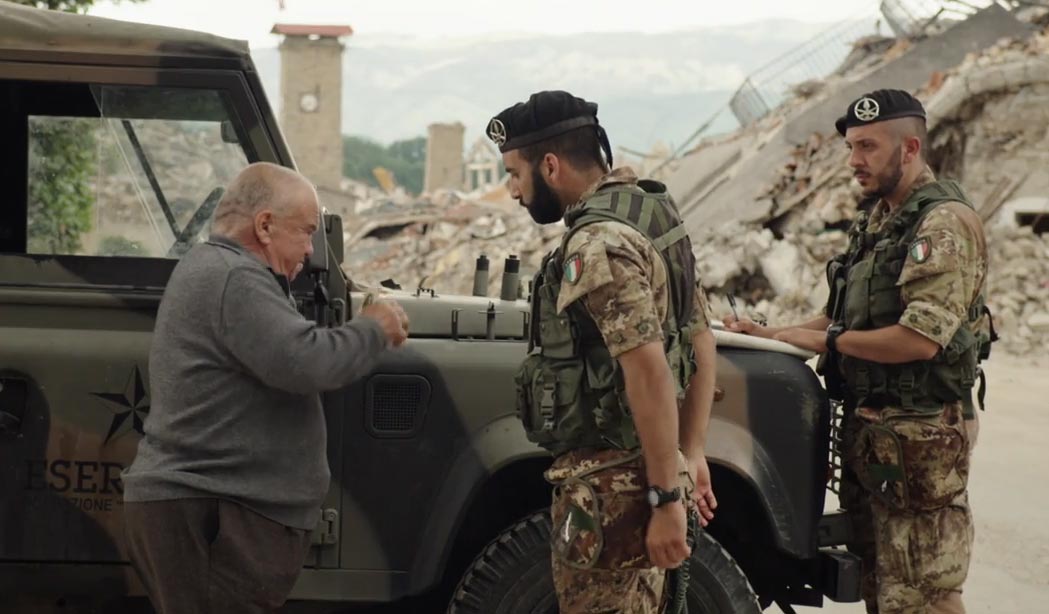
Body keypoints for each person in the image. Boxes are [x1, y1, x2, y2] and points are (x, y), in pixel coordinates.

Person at [725, 89, 991, 614]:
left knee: (922, 594)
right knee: (881, 589)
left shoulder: (941, 225)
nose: (854, 161)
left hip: (921, 436)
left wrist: (824, 342)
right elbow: (840, 319)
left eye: (867, 147)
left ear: (910, 147)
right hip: (875, 436)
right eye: (851, 147)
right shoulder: (878, 222)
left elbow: (919, 338)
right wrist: (773, 333)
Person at [122, 162, 409, 614]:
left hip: (214, 509)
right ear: (265, 226)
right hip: (216, 512)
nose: (310, 251)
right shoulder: (236, 277)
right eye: (306, 232)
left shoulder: (218, 269)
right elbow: (305, 362)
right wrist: (373, 329)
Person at [487, 90, 719, 613]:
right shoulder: (654, 218)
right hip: (647, 472)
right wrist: (691, 452)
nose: (513, 190)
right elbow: (700, 339)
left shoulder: (598, 244)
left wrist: (664, 498)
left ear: (550, 165)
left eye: (515, 174)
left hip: (616, 489)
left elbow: (649, 370)